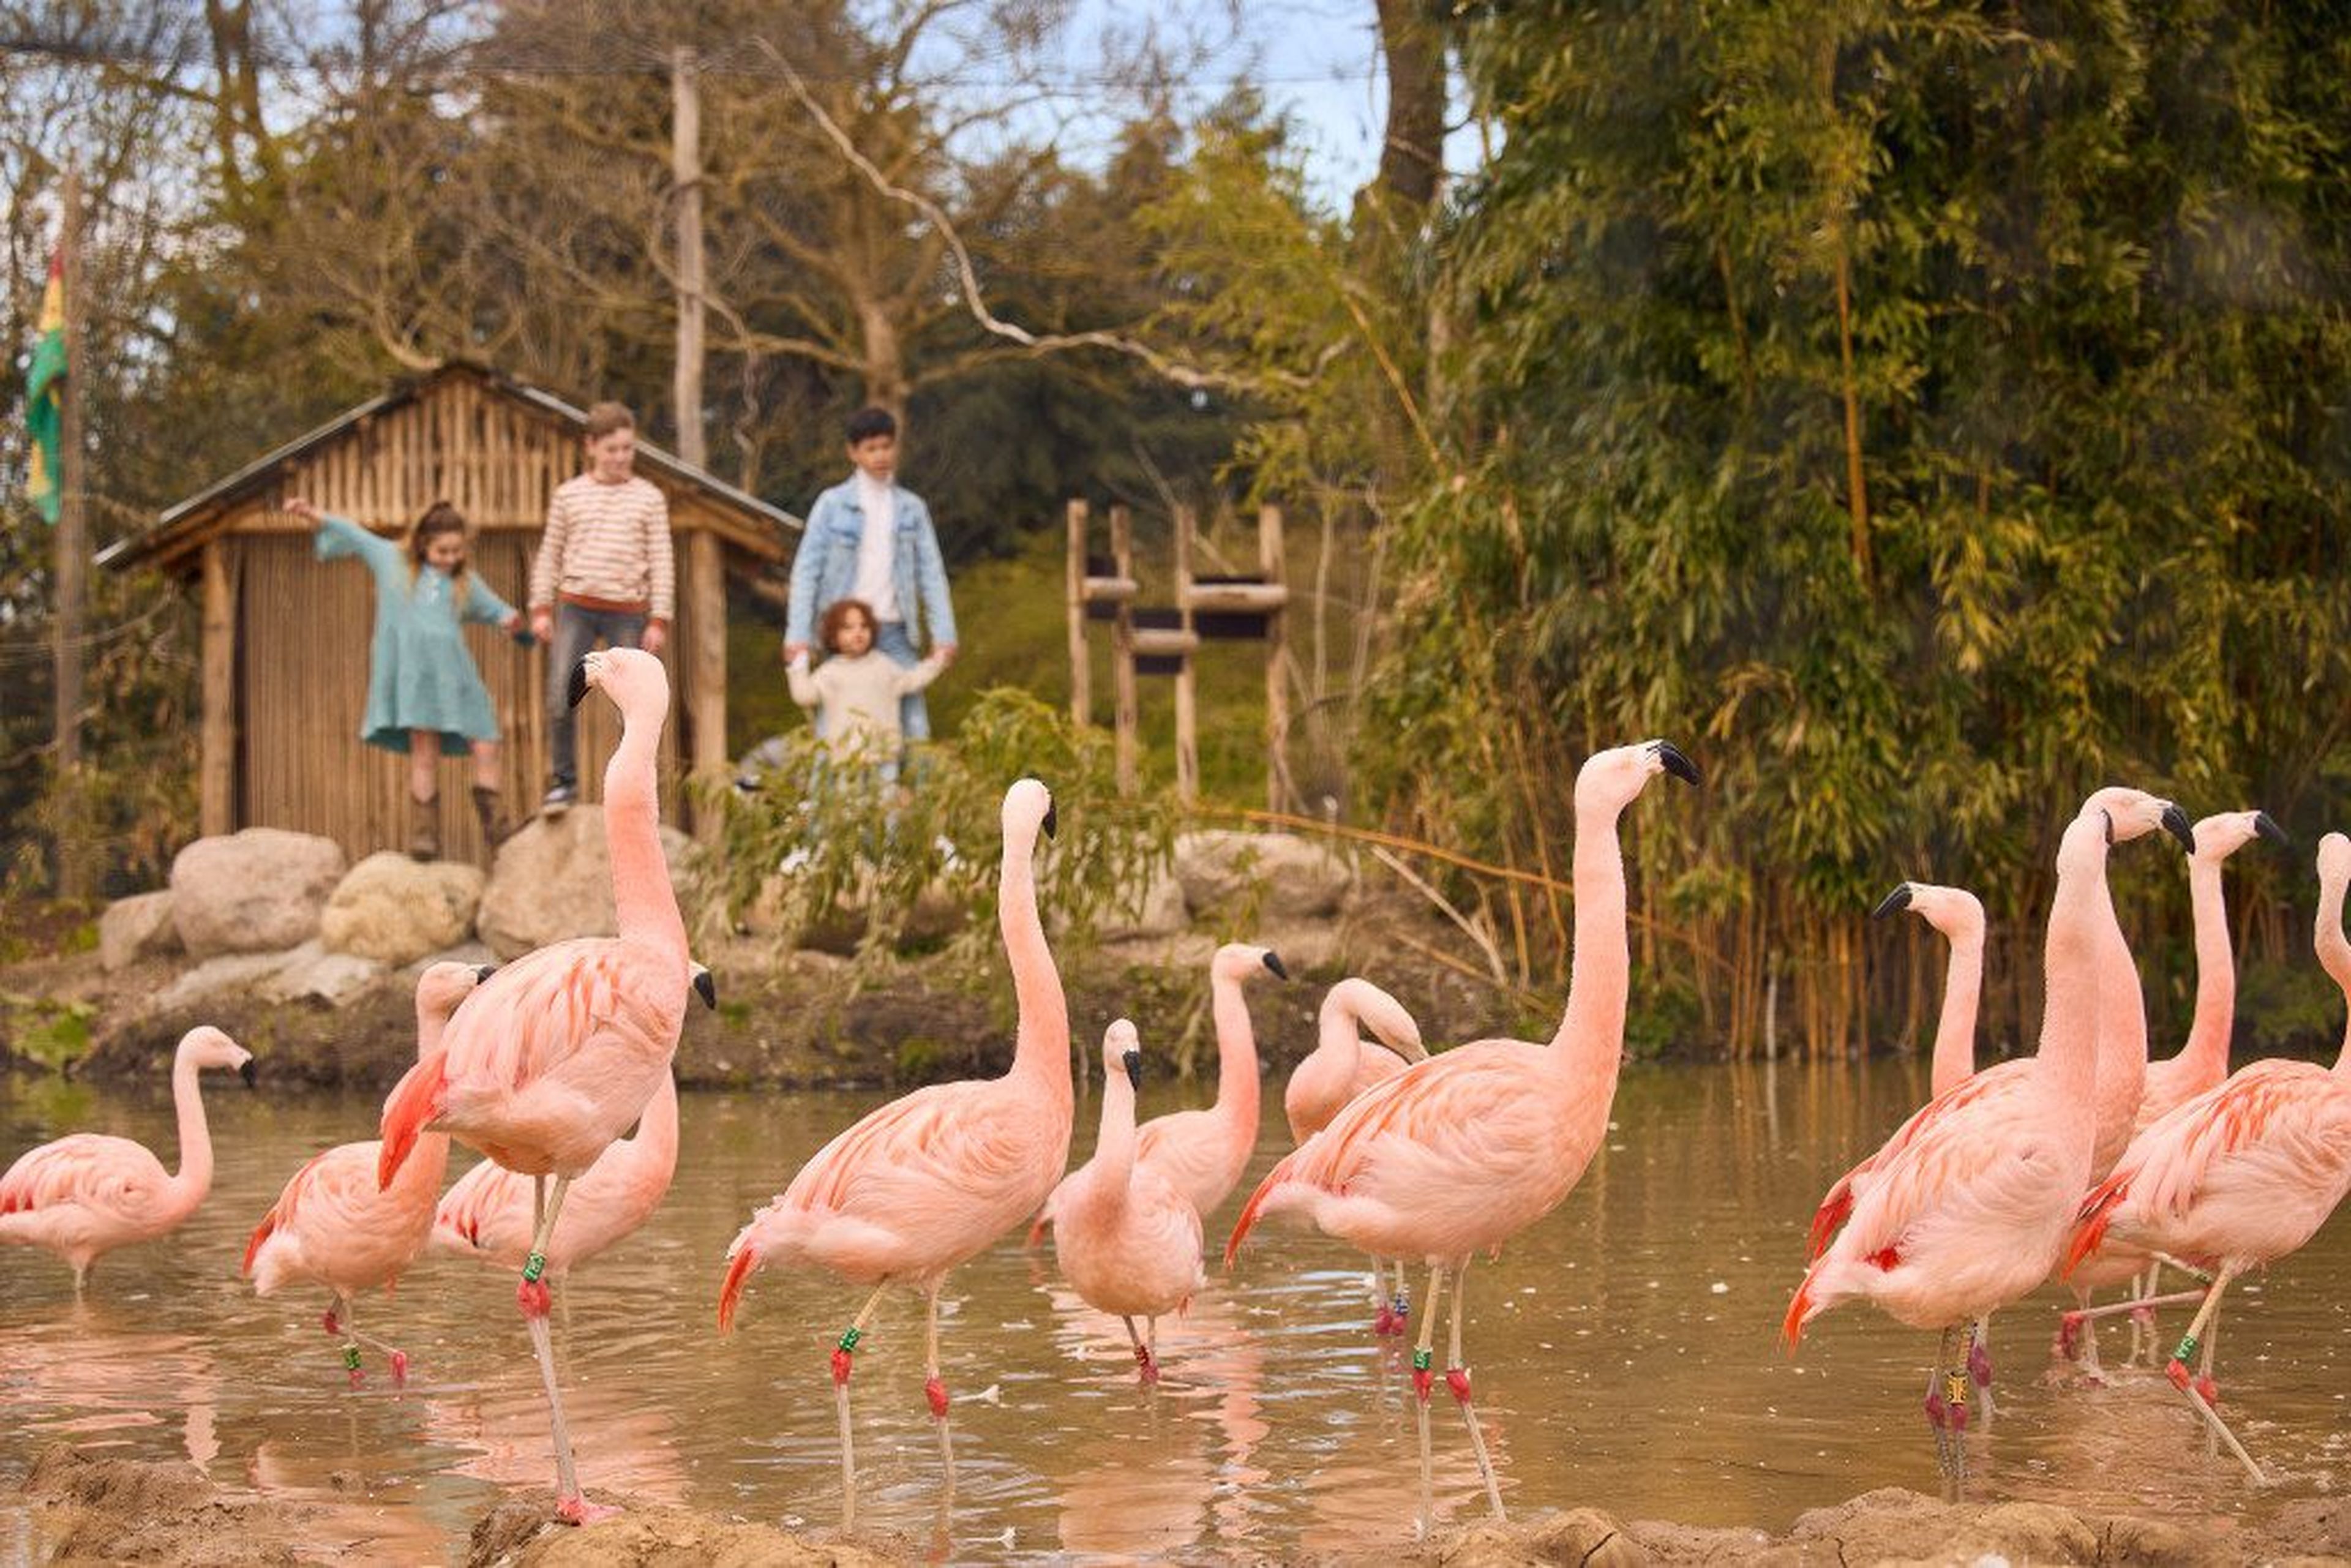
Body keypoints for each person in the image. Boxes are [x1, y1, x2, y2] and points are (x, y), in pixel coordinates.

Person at [291, 496, 532, 861]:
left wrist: (514, 622)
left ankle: (498, 830)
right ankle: (425, 837)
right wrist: (312, 514)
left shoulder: (464, 581)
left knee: (486, 742)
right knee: (424, 751)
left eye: (458, 550)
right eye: (443, 550)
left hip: (456, 677)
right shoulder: (392, 560)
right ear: (422, 543)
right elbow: (351, 533)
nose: (452, 557)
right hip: (415, 678)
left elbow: (496, 609)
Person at [783, 407, 956, 767]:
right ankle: (831, 820)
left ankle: (912, 817)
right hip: (846, 630)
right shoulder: (832, 505)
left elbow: (931, 573)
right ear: (854, 452)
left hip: (895, 632)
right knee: (835, 733)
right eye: (871, 448)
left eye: (887, 447)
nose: (881, 456)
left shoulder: (912, 508)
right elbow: (807, 570)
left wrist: (945, 634)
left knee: (914, 731)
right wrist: (797, 634)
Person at [528, 400, 673, 816]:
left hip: (629, 609)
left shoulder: (649, 498)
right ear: (590, 446)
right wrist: (541, 607)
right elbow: (550, 553)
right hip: (577, 605)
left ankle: (633, 787)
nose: (620, 457)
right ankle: (564, 782)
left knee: (633, 704)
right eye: (612, 449)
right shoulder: (569, 495)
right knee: (560, 692)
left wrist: (659, 617)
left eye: (627, 449)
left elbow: (662, 558)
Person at [787, 597, 946, 790]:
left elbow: (912, 681)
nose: (858, 632)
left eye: (864, 626)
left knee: (886, 810)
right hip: (847, 760)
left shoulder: (882, 665)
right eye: (848, 628)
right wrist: (798, 664)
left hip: (884, 755)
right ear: (833, 636)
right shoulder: (830, 672)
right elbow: (804, 696)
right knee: (851, 810)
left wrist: (937, 661)